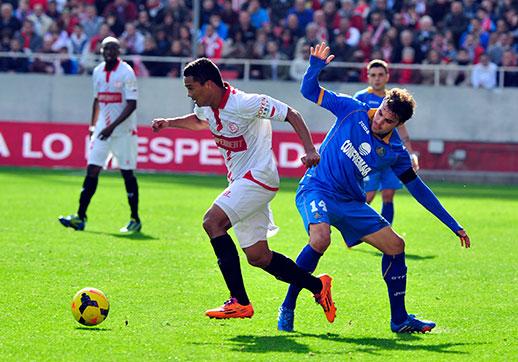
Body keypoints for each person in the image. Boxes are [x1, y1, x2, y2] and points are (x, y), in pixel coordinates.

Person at [277, 42, 470, 333]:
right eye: (380, 112)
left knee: (396, 246)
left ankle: (400, 319)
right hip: (317, 188)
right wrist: (315, 66)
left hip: (351, 202)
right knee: (320, 240)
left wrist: (452, 224)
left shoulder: (395, 152)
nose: (379, 120)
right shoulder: (353, 109)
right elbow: (308, 91)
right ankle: (288, 306)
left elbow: (419, 190)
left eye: (388, 120)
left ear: (399, 124)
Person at [151, 57, 336, 322]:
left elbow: (291, 114)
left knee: (212, 222)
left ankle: (239, 301)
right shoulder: (207, 107)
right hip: (240, 181)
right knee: (258, 256)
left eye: (191, 88)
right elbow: (199, 120)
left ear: (209, 84)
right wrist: (169, 123)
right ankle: (318, 286)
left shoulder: (245, 103)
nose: (189, 93)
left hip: (259, 176)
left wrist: (309, 149)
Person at [59, 36, 141, 233]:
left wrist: (111, 127)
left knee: (127, 173)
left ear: (119, 52)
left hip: (123, 132)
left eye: (113, 49)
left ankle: (135, 219)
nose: (109, 52)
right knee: (92, 170)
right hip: (102, 130)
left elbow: (132, 104)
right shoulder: (97, 71)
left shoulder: (126, 72)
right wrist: (92, 125)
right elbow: (97, 100)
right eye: (106, 49)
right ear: (101, 51)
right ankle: (80, 217)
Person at [353, 59, 419, 225]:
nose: (377, 79)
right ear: (368, 77)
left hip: (389, 155)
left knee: (388, 195)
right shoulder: (361, 97)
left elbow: (402, 129)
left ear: (387, 76)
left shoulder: (394, 101)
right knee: (368, 196)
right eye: (373, 75)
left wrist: (411, 154)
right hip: (368, 156)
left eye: (381, 75)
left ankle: (386, 233)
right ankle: (356, 230)